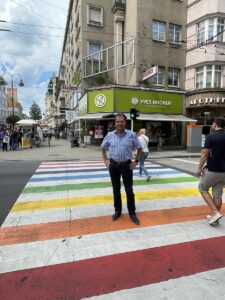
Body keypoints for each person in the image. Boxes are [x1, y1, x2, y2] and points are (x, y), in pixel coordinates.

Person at [101, 113, 142, 225]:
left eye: (121, 121)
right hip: (113, 166)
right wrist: (106, 160)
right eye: (117, 121)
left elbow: (140, 148)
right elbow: (103, 148)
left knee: (129, 190)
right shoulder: (109, 135)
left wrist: (136, 161)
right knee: (116, 190)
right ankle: (118, 211)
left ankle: (132, 212)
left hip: (127, 166)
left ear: (125, 122)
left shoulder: (131, 135)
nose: (119, 123)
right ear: (115, 123)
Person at [196, 117, 225, 225]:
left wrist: (199, 168)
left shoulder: (211, 136)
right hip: (224, 172)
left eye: (212, 124)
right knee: (217, 194)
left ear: (215, 124)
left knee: (203, 189)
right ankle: (214, 218)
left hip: (212, 170)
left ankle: (215, 212)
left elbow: (205, 154)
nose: (212, 126)